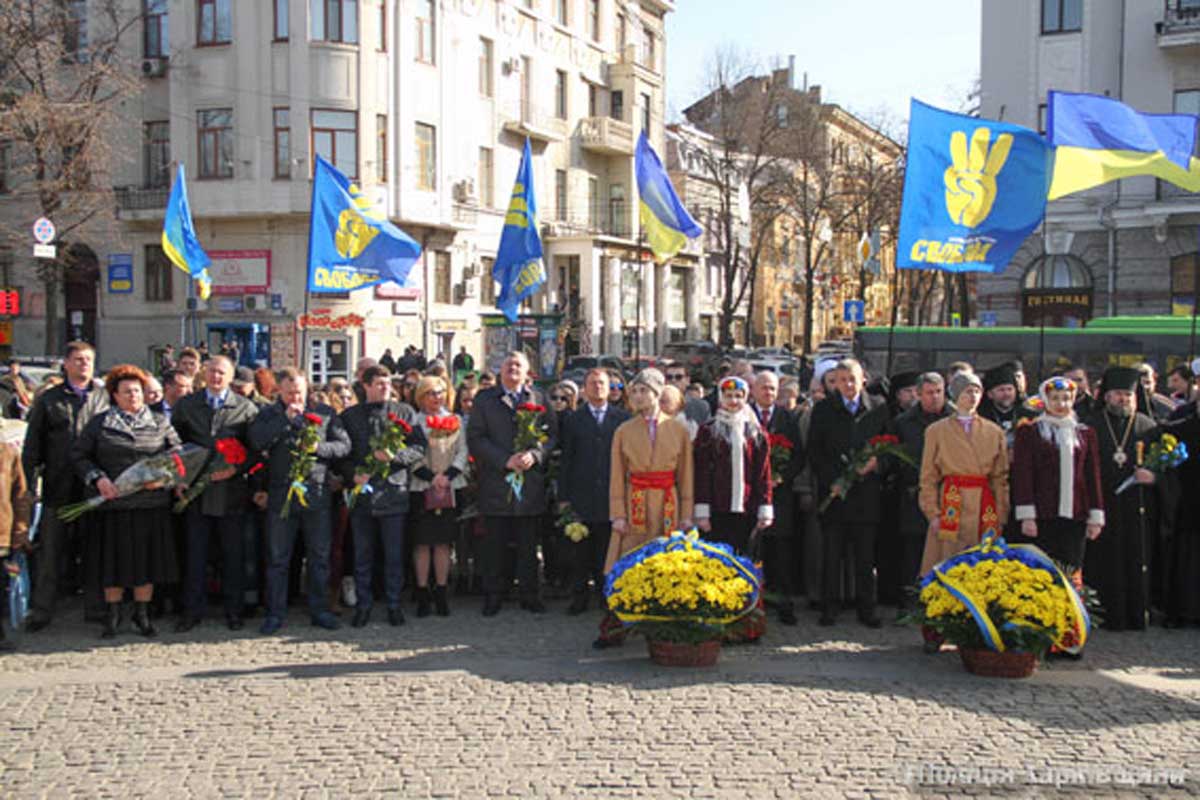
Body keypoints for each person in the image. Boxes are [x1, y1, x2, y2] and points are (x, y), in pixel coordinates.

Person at [71, 365, 182, 638]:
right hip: (113, 505)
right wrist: (98, 479)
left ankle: (141, 614)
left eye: (137, 391)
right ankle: (113, 615)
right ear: (115, 395)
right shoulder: (101, 423)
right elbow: (79, 456)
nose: (133, 395)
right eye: (126, 391)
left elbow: (178, 454)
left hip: (150, 504)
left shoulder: (159, 422)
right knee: (113, 563)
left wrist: (166, 477)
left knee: (146, 562)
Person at [248, 368, 351, 634]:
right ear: (279, 391)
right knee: (278, 558)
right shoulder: (268, 414)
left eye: (300, 392)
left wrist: (319, 449)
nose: (295, 397)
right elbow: (257, 442)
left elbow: (343, 446)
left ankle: (320, 610)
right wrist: (284, 420)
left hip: (316, 493)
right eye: (290, 392)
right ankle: (275, 613)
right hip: (281, 493)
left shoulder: (325, 413)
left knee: (319, 556)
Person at [602, 368, 693, 647]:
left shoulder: (678, 429)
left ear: (657, 393)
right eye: (635, 391)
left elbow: (686, 474)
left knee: (667, 559)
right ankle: (618, 623)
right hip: (635, 500)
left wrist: (687, 514)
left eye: (643, 391)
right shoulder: (624, 431)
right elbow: (617, 474)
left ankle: (665, 624)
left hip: (668, 501)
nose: (638, 397)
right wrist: (617, 513)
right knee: (627, 559)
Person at [22, 341, 110, 631]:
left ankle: (96, 607)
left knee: (94, 549)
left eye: (88, 359)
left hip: (93, 486)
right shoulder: (49, 399)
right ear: (66, 364)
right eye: (78, 359)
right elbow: (33, 446)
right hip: (58, 485)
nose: (84, 364)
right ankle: (42, 610)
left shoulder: (103, 398)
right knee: (51, 550)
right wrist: (29, 482)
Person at [171, 356, 260, 632]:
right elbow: (175, 443)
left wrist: (236, 468)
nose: (216, 377)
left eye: (221, 373)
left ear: (230, 376)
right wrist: (180, 475)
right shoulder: (187, 406)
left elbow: (255, 450)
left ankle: (233, 610)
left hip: (231, 492)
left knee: (233, 555)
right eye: (211, 371)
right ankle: (192, 611)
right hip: (196, 491)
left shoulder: (245, 408)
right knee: (195, 554)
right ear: (203, 374)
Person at [467, 351, 556, 616]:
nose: (513, 369)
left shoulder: (539, 398)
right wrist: (504, 460)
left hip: (529, 485)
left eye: (518, 365)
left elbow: (551, 436)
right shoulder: (485, 400)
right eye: (508, 365)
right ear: (499, 371)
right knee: (494, 544)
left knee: (529, 544)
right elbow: (476, 438)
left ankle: (530, 594)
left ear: (528, 371)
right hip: (497, 482)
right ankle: (494, 594)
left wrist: (535, 455)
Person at [340, 366, 426, 627]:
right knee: (363, 555)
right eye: (379, 383)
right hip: (363, 494)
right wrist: (352, 474)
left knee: (394, 555)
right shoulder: (350, 416)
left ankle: (393, 604)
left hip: (393, 491)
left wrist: (395, 457)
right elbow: (341, 454)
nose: (385, 388)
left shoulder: (404, 412)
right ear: (365, 386)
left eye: (388, 383)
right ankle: (363, 605)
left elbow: (418, 448)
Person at [807, 358, 889, 628]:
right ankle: (830, 606)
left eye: (852, 379)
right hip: (835, 495)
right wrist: (833, 479)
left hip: (866, 495)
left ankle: (867, 607)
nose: (848, 385)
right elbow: (815, 451)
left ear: (863, 379)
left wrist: (877, 464)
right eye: (842, 380)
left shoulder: (878, 408)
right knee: (833, 554)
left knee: (865, 557)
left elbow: (890, 447)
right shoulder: (823, 410)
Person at [1083, 367, 1167, 631]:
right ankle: (1102, 615)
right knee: (1103, 561)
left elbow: (1170, 473)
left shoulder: (1149, 427)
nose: (1124, 400)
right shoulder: (1090, 426)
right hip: (1101, 506)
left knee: (1135, 558)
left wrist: (1154, 478)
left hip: (1138, 508)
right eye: (1118, 394)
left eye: (1128, 395)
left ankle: (1135, 613)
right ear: (1106, 396)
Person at [1011, 377, 1105, 579]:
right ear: (1045, 401)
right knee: (1040, 573)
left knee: (1072, 572)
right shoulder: (1031, 431)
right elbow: (1024, 474)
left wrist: (1096, 516)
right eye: (1055, 399)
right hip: (1043, 515)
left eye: (1066, 398)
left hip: (1075, 515)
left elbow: (1092, 475)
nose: (1061, 404)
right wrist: (1027, 515)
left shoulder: (1084, 433)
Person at [917, 371, 1009, 576]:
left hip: (984, 506)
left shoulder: (994, 431)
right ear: (956, 395)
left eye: (977, 391)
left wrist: (1001, 513)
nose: (973, 396)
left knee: (981, 564)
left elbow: (1000, 478)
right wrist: (932, 513)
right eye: (968, 391)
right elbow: (928, 476)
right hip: (952, 501)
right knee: (949, 561)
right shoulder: (936, 431)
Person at [559, 368, 630, 616]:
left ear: (610, 388)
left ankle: (605, 594)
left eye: (602, 383)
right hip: (582, 493)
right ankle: (579, 597)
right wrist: (564, 497)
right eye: (592, 383)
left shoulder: (622, 418)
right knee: (580, 551)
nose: (598, 387)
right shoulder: (573, 419)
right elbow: (566, 460)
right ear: (585, 389)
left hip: (611, 494)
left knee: (606, 549)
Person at [888, 373, 953, 615]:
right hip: (914, 495)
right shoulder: (904, 422)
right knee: (912, 551)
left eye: (939, 392)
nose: (935, 397)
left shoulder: (955, 418)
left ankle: (944, 604)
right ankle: (909, 604)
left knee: (946, 549)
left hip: (949, 495)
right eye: (929, 393)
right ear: (918, 394)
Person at [409, 376, 466, 617]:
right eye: (431, 393)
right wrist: (432, 477)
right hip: (422, 485)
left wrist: (448, 476)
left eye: (441, 392)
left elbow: (462, 450)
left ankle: (441, 591)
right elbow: (412, 455)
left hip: (450, 486)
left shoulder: (456, 420)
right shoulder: (414, 421)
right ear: (422, 396)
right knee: (422, 543)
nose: (436, 397)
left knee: (443, 543)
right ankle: (422, 592)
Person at [748, 371, 802, 625]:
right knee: (754, 550)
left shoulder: (787, 418)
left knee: (782, 553)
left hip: (780, 495)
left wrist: (782, 476)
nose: (768, 393)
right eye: (763, 388)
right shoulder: (744, 416)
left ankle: (784, 603)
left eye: (772, 389)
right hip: (750, 497)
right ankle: (753, 603)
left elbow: (799, 454)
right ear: (754, 390)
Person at [0, 433, 32, 650]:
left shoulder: (7, 453)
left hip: (1, 532)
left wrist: (20, 533)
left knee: (2, 587)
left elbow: (20, 497)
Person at [979, 363, 1036, 454]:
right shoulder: (981, 418)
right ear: (990, 394)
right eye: (1001, 390)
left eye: (1009, 389)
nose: (1006, 394)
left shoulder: (1030, 417)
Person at [664, 362, 711, 426]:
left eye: (678, 377)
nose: (673, 380)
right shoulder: (657, 406)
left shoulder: (701, 407)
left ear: (687, 380)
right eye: (669, 377)